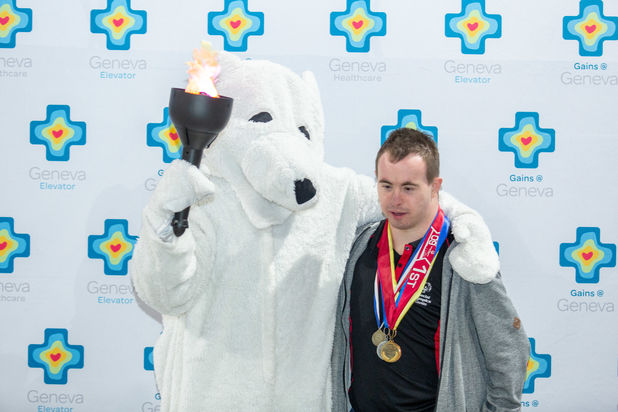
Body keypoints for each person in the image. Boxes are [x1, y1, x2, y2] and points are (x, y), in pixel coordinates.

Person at [332, 128, 530, 412]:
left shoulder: (464, 258)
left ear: (435, 187)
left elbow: (508, 349)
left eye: (408, 188)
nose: (395, 199)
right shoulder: (359, 246)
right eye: (386, 185)